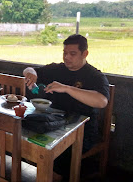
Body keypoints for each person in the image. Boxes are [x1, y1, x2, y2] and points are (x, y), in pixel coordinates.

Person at [23, 34, 110, 181]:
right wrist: (30, 73)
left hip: (83, 130)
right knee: (25, 136)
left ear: (85, 54)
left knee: (56, 160)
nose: (67, 57)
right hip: (54, 121)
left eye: (72, 54)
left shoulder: (95, 76)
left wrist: (67, 88)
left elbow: (101, 101)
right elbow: (30, 69)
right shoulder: (57, 69)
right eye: (65, 53)